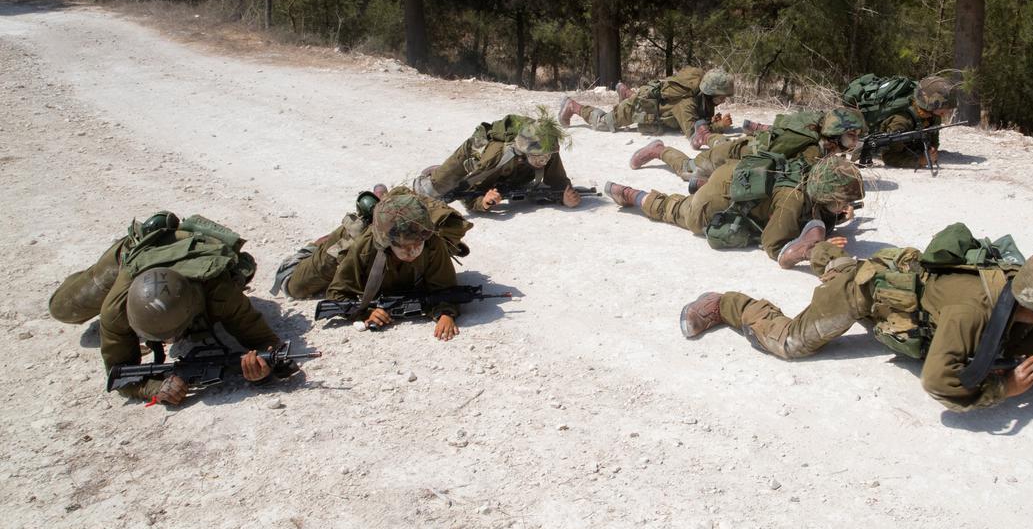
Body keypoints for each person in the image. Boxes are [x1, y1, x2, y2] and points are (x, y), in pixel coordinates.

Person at [678, 225, 1033, 411]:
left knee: (848, 268)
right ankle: (725, 303)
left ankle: (818, 250)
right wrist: (1005, 389)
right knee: (790, 342)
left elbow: (1018, 356)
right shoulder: (971, 311)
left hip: (899, 281)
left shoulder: (1025, 305)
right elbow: (940, 384)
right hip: (865, 295)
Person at [48, 212, 283, 406]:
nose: (168, 342)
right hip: (136, 255)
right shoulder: (116, 311)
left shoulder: (218, 291)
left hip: (190, 250)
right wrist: (155, 388)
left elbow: (267, 342)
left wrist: (263, 369)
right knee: (62, 309)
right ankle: (119, 252)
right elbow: (119, 374)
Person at [605, 156, 864, 269]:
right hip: (716, 199)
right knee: (676, 210)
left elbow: (814, 212)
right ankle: (631, 194)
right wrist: (810, 249)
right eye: (841, 200)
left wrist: (836, 214)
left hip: (733, 176)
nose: (844, 205)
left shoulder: (812, 176)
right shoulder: (792, 200)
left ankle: (699, 184)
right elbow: (774, 245)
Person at [299, 188, 470, 340]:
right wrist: (365, 312)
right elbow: (337, 293)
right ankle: (317, 246)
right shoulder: (364, 247)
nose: (412, 252)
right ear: (386, 243)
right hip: (342, 248)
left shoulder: (432, 242)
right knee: (295, 286)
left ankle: (383, 197)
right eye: (403, 246)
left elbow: (445, 288)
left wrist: (445, 313)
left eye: (417, 244)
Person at [628, 107, 868, 184]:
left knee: (725, 144)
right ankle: (659, 150)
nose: (855, 140)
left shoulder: (822, 137)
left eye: (857, 135)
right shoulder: (814, 149)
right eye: (851, 135)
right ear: (836, 133)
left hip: (751, 148)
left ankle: (707, 135)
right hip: (741, 154)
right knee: (690, 169)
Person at [412, 108, 581, 212]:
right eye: (539, 157)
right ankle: (434, 174)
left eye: (547, 156)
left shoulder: (546, 149)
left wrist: (565, 198)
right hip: (478, 156)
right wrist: (483, 202)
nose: (544, 161)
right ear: (523, 151)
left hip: (508, 170)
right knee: (429, 191)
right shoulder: (496, 157)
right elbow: (469, 193)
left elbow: (559, 183)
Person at [558, 67, 735, 149]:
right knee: (603, 122)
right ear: (710, 92)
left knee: (636, 100)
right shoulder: (687, 103)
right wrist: (719, 127)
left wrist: (710, 122)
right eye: (722, 97)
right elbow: (694, 135)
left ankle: (625, 93)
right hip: (641, 108)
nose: (723, 100)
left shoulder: (700, 94)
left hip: (652, 104)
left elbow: (698, 118)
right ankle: (573, 106)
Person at [843, 69, 965, 168]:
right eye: (944, 108)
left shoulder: (934, 115)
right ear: (931, 105)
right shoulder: (901, 121)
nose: (947, 112)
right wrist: (920, 160)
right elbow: (890, 157)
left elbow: (933, 138)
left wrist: (931, 148)